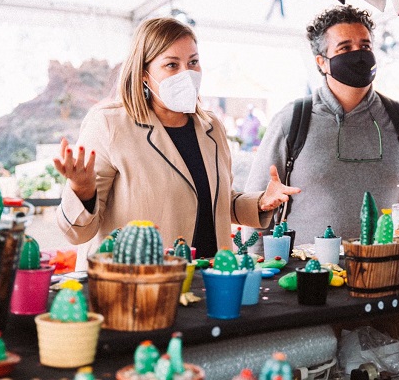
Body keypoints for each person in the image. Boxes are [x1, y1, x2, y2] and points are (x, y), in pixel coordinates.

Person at [54, 17, 299, 267]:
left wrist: (260, 202)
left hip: (208, 279)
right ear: (144, 75)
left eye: (193, 62)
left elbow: (215, 202)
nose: (187, 74)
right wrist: (83, 191)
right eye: (172, 65)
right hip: (139, 283)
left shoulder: (211, 127)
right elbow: (77, 232)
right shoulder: (110, 124)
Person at [244, 5, 399, 246]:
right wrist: (258, 269)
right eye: (345, 48)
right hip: (308, 275)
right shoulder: (292, 120)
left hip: (386, 270)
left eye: (365, 46)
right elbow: (256, 207)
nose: (359, 55)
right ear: (322, 62)